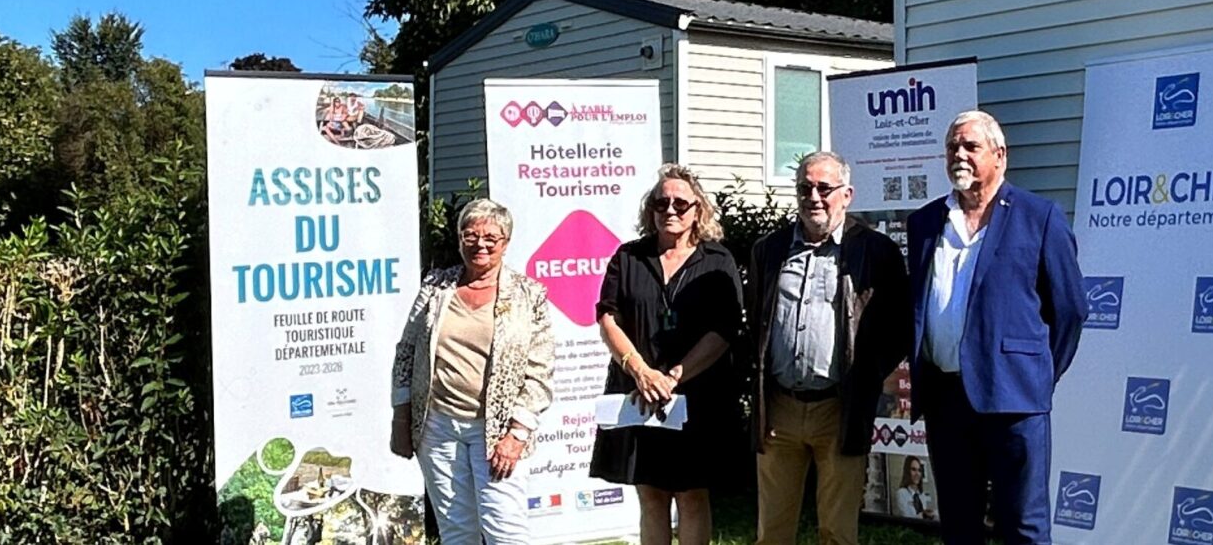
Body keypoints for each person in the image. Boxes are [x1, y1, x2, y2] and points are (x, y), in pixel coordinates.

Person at [905, 110, 1086, 545]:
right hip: (946, 399)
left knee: (1023, 526)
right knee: (958, 526)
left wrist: (1036, 373)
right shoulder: (924, 222)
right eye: (952, 146)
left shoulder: (1039, 217)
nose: (959, 154)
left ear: (1000, 155)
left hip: (1014, 400)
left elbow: (1071, 310)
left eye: (971, 146)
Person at [745, 151, 909, 545]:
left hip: (840, 408)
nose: (813, 197)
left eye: (824, 188)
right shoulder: (769, 249)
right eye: (805, 188)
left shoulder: (875, 251)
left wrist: (868, 376)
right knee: (772, 532)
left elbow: (900, 325)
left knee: (837, 532)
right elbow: (755, 323)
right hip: (779, 409)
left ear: (847, 194)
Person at [589, 164, 743, 545]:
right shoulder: (628, 257)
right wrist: (641, 372)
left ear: (698, 210)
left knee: (692, 496)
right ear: (651, 209)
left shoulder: (718, 259)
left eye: (680, 203)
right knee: (651, 495)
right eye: (661, 203)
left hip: (697, 396)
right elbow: (608, 317)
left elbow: (724, 329)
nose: (670, 210)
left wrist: (674, 376)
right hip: (639, 393)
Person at [389, 199, 557, 545]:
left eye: (491, 238)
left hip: (498, 432)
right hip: (437, 427)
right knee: (456, 531)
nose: (480, 244)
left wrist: (517, 435)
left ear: (505, 243)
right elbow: (406, 352)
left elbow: (540, 372)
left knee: (505, 532)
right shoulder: (436, 286)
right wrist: (401, 418)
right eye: (471, 236)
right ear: (459, 239)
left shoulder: (530, 295)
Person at [892, 457, 937, 522]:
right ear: (907, 472)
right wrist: (923, 515)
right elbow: (906, 518)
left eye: (919, 470)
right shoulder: (901, 493)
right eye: (913, 469)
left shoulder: (921, 494)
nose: (917, 474)